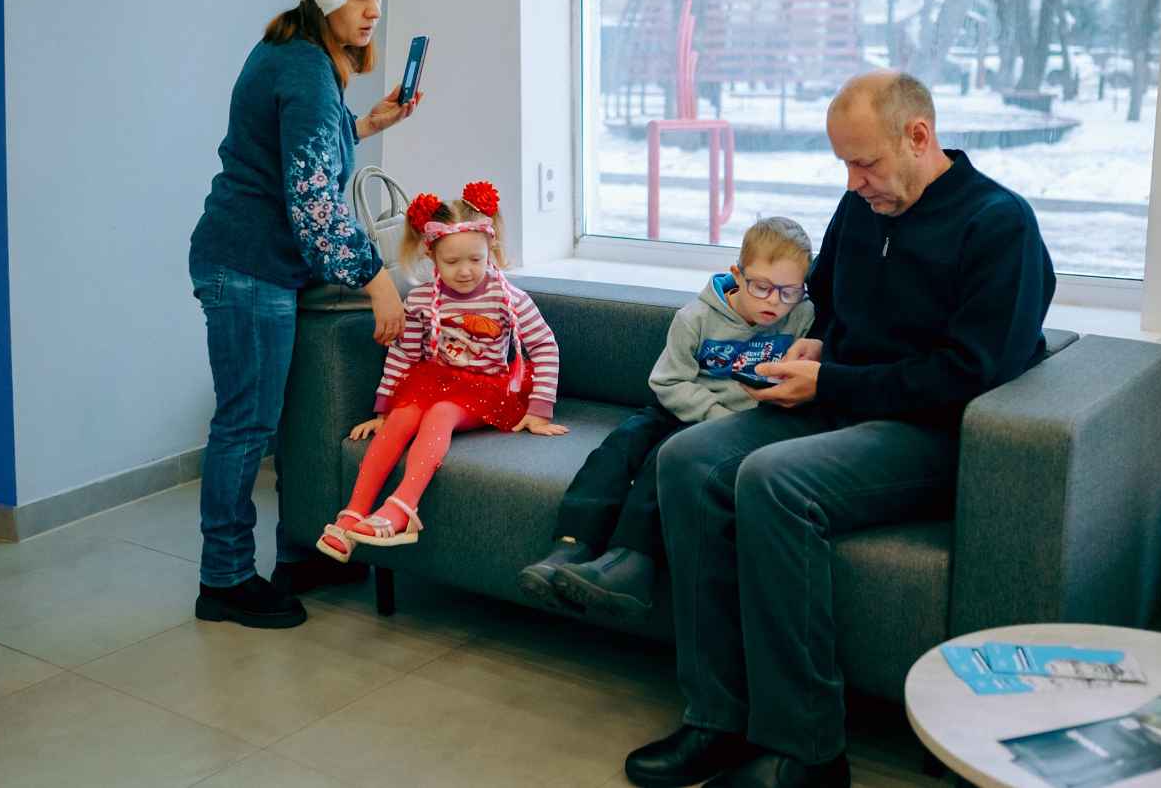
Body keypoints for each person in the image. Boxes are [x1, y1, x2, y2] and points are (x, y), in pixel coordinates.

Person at [624, 71, 1055, 788]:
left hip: (931, 430)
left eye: (865, 163)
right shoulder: (861, 208)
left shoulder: (998, 225)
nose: (854, 182)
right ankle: (717, 718)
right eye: (845, 165)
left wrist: (833, 382)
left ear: (919, 136)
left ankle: (808, 753)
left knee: (774, 480)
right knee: (688, 460)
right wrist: (815, 343)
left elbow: (971, 371)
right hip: (841, 402)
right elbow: (826, 298)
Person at [188, 0, 422, 630]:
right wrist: (376, 279)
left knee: (264, 419)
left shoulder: (290, 53)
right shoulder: (308, 73)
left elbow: (292, 149)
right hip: (249, 266)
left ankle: (296, 552)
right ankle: (225, 580)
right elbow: (315, 207)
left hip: (246, 258)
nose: (374, 11)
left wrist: (367, 126)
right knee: (245, 425)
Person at [518, 217, 815, 620]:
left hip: (744, 426)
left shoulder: (802, 317)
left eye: (788, 291)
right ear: (737, 274)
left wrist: (727, 424)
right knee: (619, 448)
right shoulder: (695, 317)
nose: (775, 302)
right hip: (682, 407)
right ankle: (570, 546)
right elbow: (668, 382)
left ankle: (629, 562)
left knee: (664, 457)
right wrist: (715, 415)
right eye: (761, 286)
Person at [317, 181, 568, 559]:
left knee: (441, 413)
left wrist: (538, 411)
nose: (465, 271)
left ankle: (402, 509)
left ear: (491, 250)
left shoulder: (508, 298)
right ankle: (352, 514)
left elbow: (545, 346)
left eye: (476, 260)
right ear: (431, 255)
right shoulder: (420, 300)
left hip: (488, 388)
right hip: (436, 380)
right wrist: (382, 411)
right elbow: (403, 356)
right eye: (452, 262)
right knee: (403, 416)